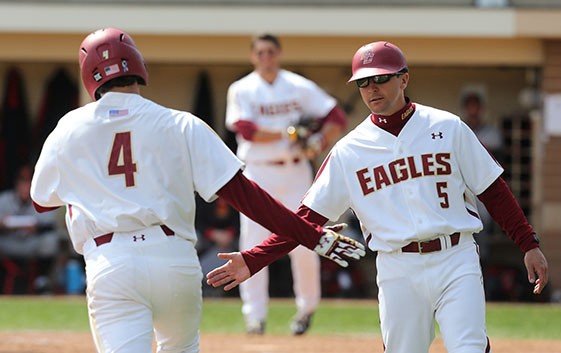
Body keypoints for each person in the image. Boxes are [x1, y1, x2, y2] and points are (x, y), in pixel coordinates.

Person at [29, 27, 364, 353]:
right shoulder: (182, 123)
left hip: (110, 259)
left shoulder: (69, 127)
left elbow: (41, 201)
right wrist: (311, 234)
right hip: (174, 257)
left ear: (90, 76)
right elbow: (248, 198)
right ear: (139, 68)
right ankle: (261, 315)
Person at [207, 41, 549, 353]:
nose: (372, 89)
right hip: (396, 266)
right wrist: (254, 258)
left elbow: (493, 190)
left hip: (455, 257)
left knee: (470, 348)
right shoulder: (349, 150)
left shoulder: (448, 127)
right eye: (363, 83)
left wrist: (528, 243)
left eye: (381, 79)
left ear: (404, 79)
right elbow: (306, 221)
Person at [225, 33, 347, 335]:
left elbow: (336, 116)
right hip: (258, 172)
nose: (266, 57)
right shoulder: (242, 88)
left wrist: (318, 139)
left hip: (295, 171)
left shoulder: (296, 85)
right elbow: (246, 130)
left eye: (271, 51)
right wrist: (290, 133)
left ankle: (306, 310)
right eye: (261, 52)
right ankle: (255, 316)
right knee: (252, 243)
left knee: (305, 241)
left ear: (278, 54)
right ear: (254, 56)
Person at [0, 164, 60, 294]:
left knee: (50, 240)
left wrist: (36, 228)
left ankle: (41, 280)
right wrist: (3, 224)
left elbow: (50, 224)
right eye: (22, 181)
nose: (25, 185)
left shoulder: (42, 199)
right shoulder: (5, 199)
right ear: (16, 183)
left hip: (32, 242)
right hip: (9, 242)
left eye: (29, 181)